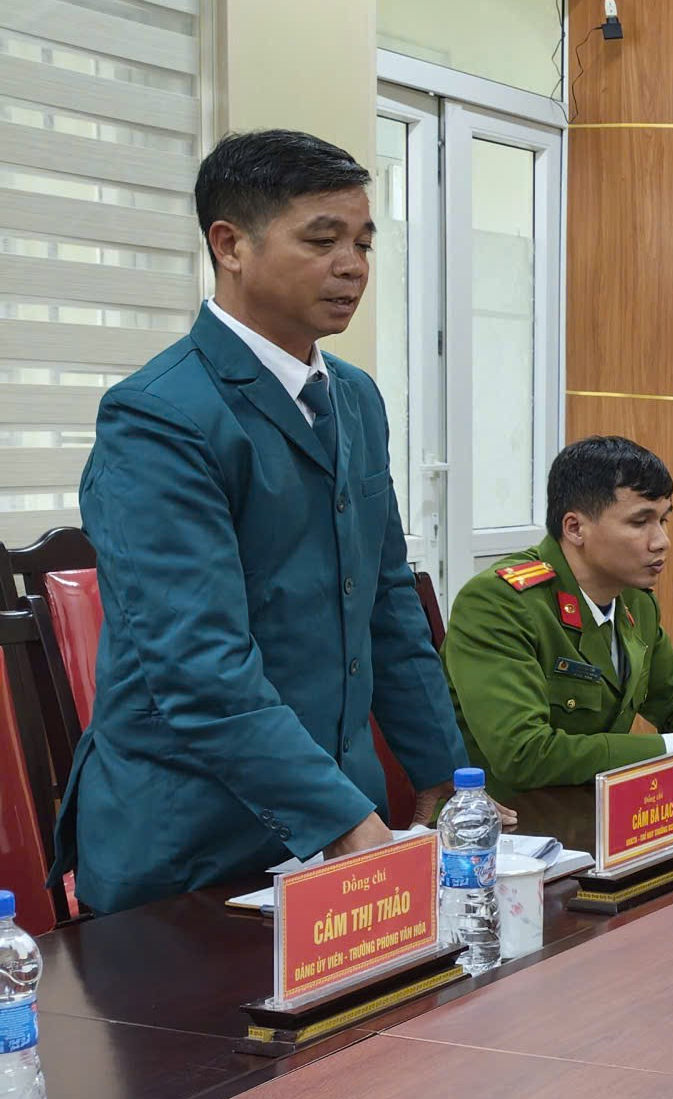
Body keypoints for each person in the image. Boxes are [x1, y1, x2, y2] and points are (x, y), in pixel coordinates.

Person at [57, 130, 464, 913]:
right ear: (230, 244)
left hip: (344, 823)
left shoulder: (354, 398)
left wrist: (446, 777)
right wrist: (341, 822)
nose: (352, 266)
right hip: (195, 851)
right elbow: (198, 665)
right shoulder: (159, 416)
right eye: (322, 240)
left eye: (363, 243)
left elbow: (387, 604)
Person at [441, 438, 673, 801]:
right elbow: (523, 753)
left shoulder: (635, 601)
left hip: (596, 811)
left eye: (663, 520)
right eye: (640, 522)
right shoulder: (499, 602)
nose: (662, 541)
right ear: (574, 528)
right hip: (508, 822)